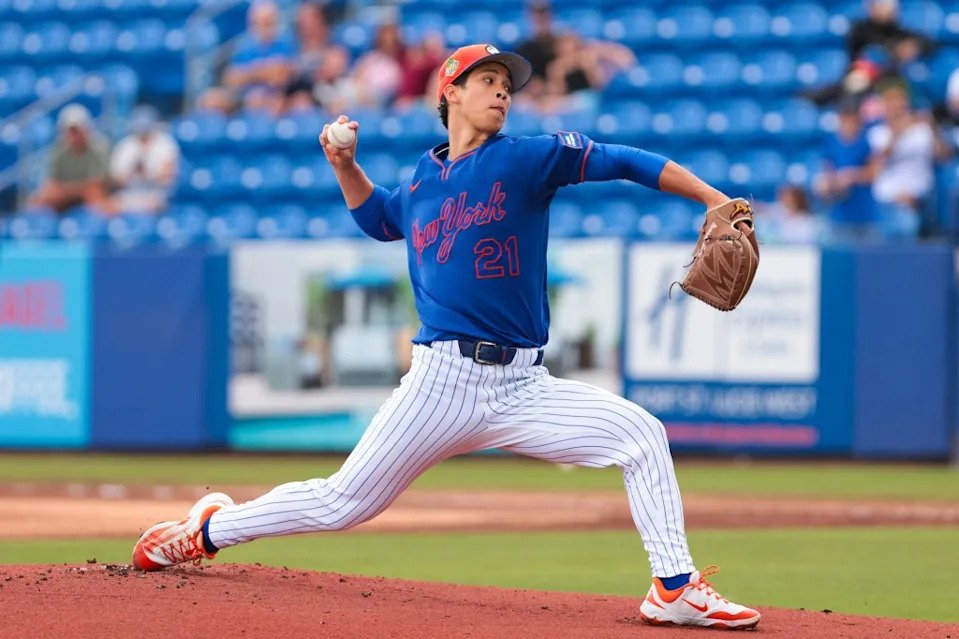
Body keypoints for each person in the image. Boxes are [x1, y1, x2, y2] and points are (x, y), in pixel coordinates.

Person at [131, 44, 761, 630]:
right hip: (443, 383)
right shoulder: (425, 179)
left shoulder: (524, 158)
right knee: (341, 504)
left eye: (506, 85)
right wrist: (345, 166)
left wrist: (712, 197)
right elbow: (381, 218)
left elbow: (621, 159)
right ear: (449, 94)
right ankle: (209, 532)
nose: (501, 92)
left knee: (641, 434)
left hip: (522, 385)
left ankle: (673, 590)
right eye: (486, 81)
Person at [868, 80, 935, 237]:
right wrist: (899, 130)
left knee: (909, 222)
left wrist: (934, 127)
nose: (896, 108)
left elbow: (943, 156)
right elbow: (878, 161)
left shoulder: (922, 129)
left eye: (899, 102)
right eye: (891, 103)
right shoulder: (876, 133)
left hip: (919, 200)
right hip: (887, 203)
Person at [28, 103, 113, 214]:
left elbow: (97, 184)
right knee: (38, 201)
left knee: (96, 196)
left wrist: (66, 190)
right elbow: (51, 183)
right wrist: (74, 191)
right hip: (67, 195)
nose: (74, 135)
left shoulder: (100, 147)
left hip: (89, 195)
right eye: (70, 131)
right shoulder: (58, 150)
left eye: (76, 130)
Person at [814, 99, 877, 241]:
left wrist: (851, 176)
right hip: (839, 214)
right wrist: (832, 183)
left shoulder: (865, 143)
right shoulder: (832, 143)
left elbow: (873, 174)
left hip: (863, 213)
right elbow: (828, 171)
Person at [221, 0, 295, 110]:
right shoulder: (245, 47)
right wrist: (265, 70)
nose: (262, 27)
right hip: (245, 96)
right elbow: (232, 78)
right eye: (257, 23)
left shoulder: (286, 43)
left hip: (278, 96)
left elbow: (281, 76)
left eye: (267, 22)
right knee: (211, 99)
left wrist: (248, 73)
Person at [109, 105, 181, 215]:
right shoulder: (125, 145)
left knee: (154, 205)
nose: (143, 130)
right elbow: (115, 180)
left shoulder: (165, 143)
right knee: (107, 207)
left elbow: (168, 176)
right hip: (129, 192)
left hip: (156, 193)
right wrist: (132, 171)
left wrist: (147, 173)